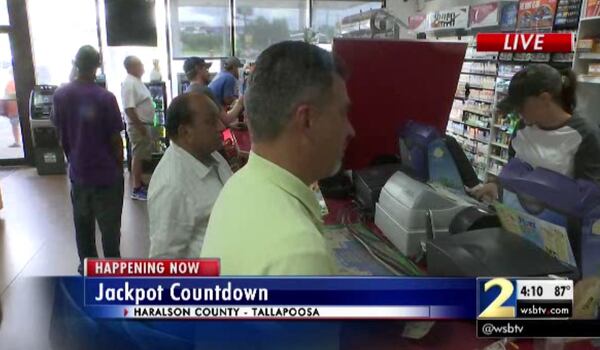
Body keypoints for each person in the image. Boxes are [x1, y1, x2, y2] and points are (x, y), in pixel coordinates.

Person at [201, 41, 355, 275]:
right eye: (342, 113)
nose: (350, 130)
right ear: (307, 120)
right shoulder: (300, 255)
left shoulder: (239, 184)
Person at [470, 63, 600, 202]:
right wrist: (498, 185)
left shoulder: (585, 135)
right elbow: (513, 171)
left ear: (544, 99)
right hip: (514, 216)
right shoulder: (522, 128)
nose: (518, 112)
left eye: (521, 105)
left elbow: (590, 199)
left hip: (555, 222)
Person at [51, 46, 124, 274]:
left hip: (79, 173)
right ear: (97, 66)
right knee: (110, 229)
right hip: (107, 175)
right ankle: (112, 272)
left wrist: (72, 158)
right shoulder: (105, 97)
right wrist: (119, 169)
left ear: (75, 63)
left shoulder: (60, 95)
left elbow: (60, 133)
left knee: (83, 226)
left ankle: (88, 267)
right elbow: (115, 139)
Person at [148, 92, 232, 258]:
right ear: (185, 132)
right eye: (211, 121)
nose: (221, 127)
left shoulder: (212, 155)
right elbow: (164, 260)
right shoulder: (171, 186)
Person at [121, 56, 154, 200]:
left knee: (141, 154)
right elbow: (129, 109)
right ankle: (136, 188)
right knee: (138, 155)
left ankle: (140, 182)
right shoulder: (129, 83)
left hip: (143, 124)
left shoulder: (136, 82)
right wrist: (140, 127)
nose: (143, 68)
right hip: (137, 125)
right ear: (132, 67)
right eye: (140, 65)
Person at [185, 56, 243, 126]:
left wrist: (230, 126)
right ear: (198, 69)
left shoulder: (188, 91)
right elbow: (227, 120)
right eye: (206, 69)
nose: (208, 73)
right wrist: (241, 101)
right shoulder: (204, 91)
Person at [3, 76, 21, 148]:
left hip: (13, 109)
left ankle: (17, 141)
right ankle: (18, 141)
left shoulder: (10, 84)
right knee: (16, 126)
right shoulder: (13, 83)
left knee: (15, 126)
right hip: (16, 108)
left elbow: (7, 95)